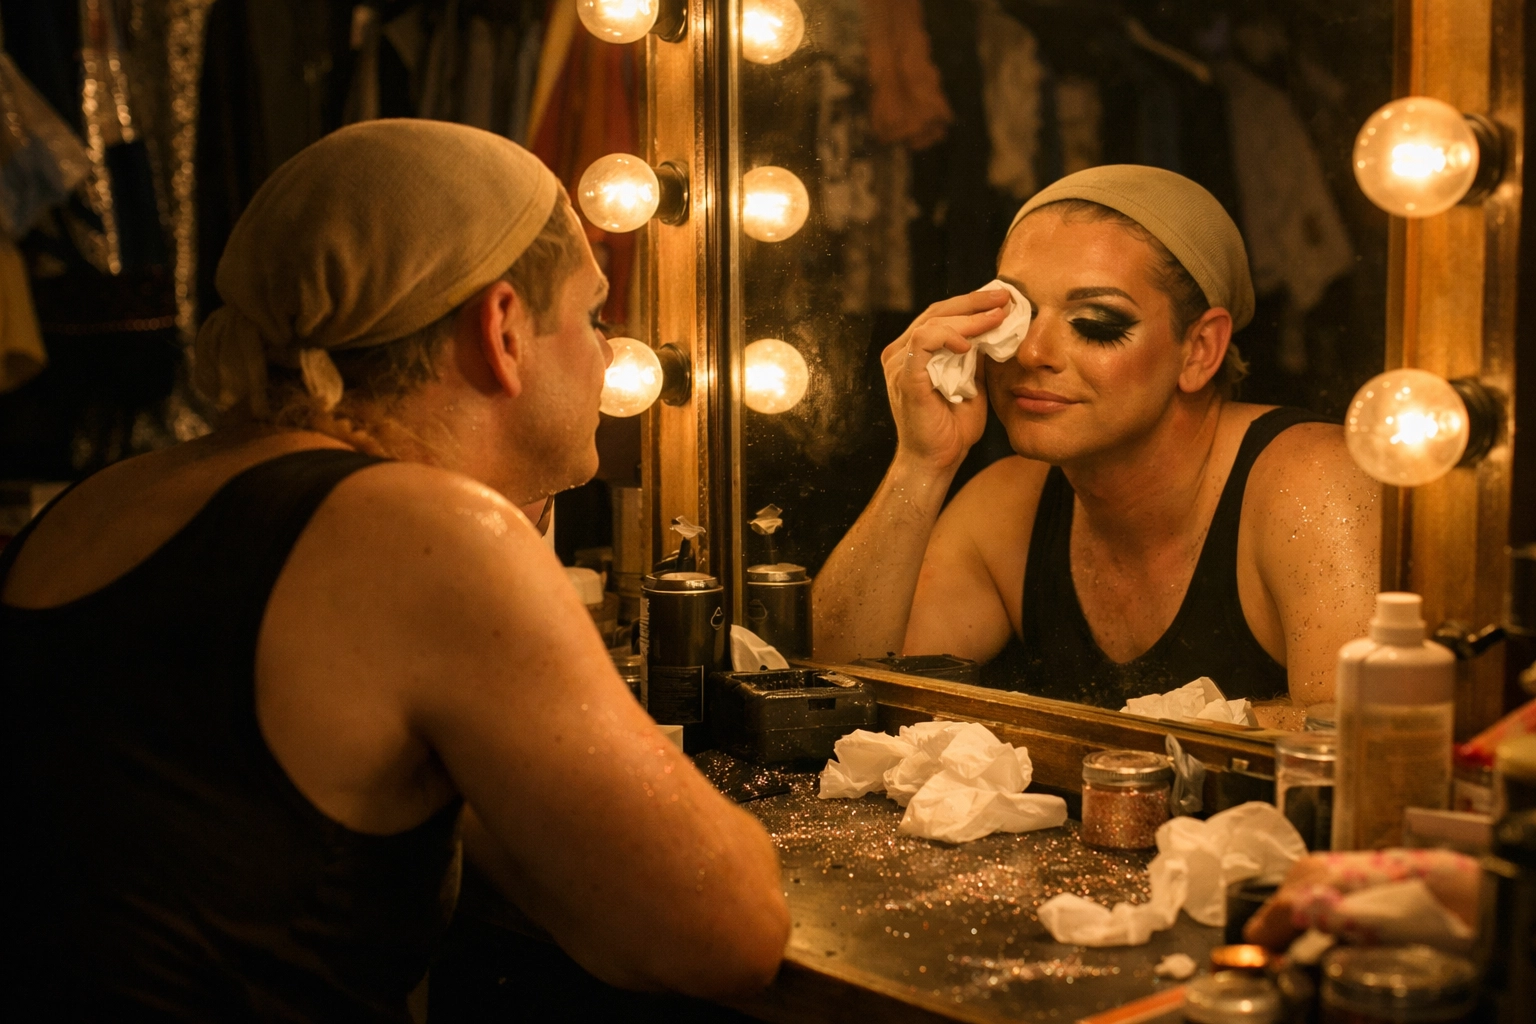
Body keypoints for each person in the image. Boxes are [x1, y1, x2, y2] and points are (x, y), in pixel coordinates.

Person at [0, 121, 789, 1021]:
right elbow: (728, 932)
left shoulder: (101, 499)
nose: (607, 352)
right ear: (502, 330)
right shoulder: (421, 535)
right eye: (593, 314)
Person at [814, 166, 1379, 728]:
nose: (1033, 351)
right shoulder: (1006, 507)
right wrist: (920, 463)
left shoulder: (1313, 480)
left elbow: (1353, 733)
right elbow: (837, 694)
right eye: (1017, 314)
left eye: (1095, 322)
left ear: (1200, 349)